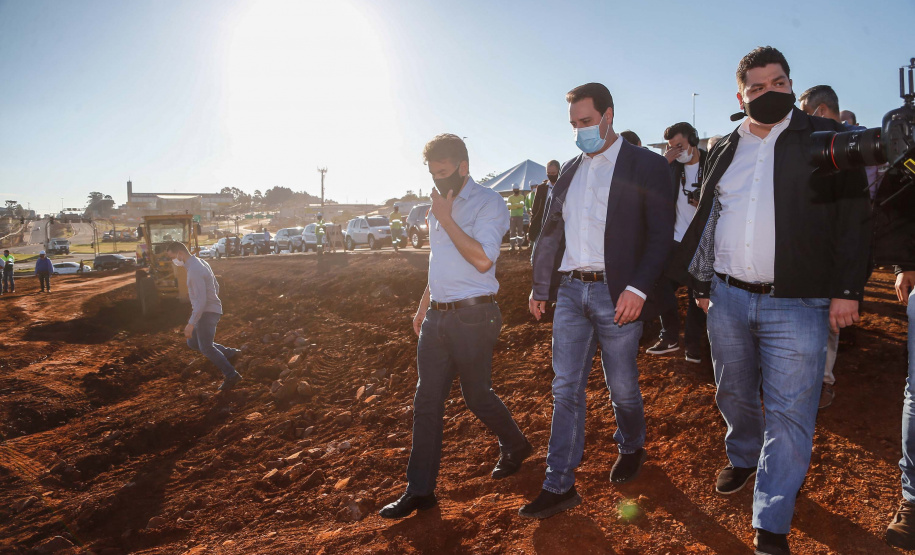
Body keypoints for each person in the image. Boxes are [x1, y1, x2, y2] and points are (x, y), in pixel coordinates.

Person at [669, 46, 871, 555]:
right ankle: (742, 454)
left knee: (791, 412)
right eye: (757, 88)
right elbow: (710, 218)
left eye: (778, 83)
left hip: (799, 303)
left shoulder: (826, 140)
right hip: (729, 298)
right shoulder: (724, 147)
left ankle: (771, 521)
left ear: (789, 83)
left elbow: (853, 219)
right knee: (732, 391)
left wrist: (846, 290)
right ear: (741, 96)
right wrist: (701, 284)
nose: (769, 93)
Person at [521, 82, 675, 519]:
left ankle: (631, 445)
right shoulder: (569, 170)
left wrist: (639, 288)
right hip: (571, 290)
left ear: (609, 115)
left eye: (586, 122)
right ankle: (559, 483)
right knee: (565, 387)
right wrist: (540, 285)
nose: (579, 131)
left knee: (621, 384)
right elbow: (550, 232)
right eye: (573, 124)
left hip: (618, 291)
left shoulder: (645, 165)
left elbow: (662, 234)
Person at [379, 133, 530, 520]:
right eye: (433, 174)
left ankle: (514, 444)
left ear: (463, 167)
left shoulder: (488, 203)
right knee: (426, 402)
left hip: (474, 316)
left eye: (444, 173)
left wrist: (446, 219)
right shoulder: (435, 207)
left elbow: (481, 260)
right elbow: (441, 262)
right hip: (436, 317)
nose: (438, 181)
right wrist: (422, 306)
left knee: (476, 395)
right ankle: (420, 491)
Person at [799, 84, 881, 409]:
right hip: (841, 242)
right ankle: (819, 380)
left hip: (842, 243)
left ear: (818, 111)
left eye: (805, 112)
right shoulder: (859, 140)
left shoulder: (845, 144)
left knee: (828, 313)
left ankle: (822, 381)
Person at [646, 122, 708, 363]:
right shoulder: (670, 168)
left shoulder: (712, 164)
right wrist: (665, 162)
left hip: (701, 242)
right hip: (674, 241)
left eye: (680, 146)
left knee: (697, 295)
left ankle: (693, 345)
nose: (676, 151)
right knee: (658, 284)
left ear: (693, 139)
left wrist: (703, 203)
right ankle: (670, 336)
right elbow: (647, 189)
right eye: (671, 148)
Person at [164, 241, 242, 392]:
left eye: (172, 257)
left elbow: (201, 302)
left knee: (206, 347)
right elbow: (216, 286)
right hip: (208, 309)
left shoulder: (194, 270)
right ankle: (230, 353)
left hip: (207, 312)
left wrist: (191, 323)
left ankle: (232, 375)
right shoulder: (200, 262)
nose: (173, 261)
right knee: (193, 343)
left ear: (180, 254)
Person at [528, 160, 560, 244]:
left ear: (559, 172)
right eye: (548, 173)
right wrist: (532, 226)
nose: (551, 175)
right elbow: (535, 209)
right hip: (542, 226)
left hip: (559, 228)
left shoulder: (564, 187)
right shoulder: (541, 188)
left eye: (553, 173)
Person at [506, 186, 526, 253]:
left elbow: (521, 205)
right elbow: (508, 206)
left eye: (517, 189)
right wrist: (517, 205)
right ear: (513, 190)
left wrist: (513, 205)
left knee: (520, 231)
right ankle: (512, 246)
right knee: (512, 231)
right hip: (512, 216)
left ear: (518, 189)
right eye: (515, 189)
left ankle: (519, 245)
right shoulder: (510, 197)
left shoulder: (521, 197)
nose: (516, 190)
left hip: (520, 216)